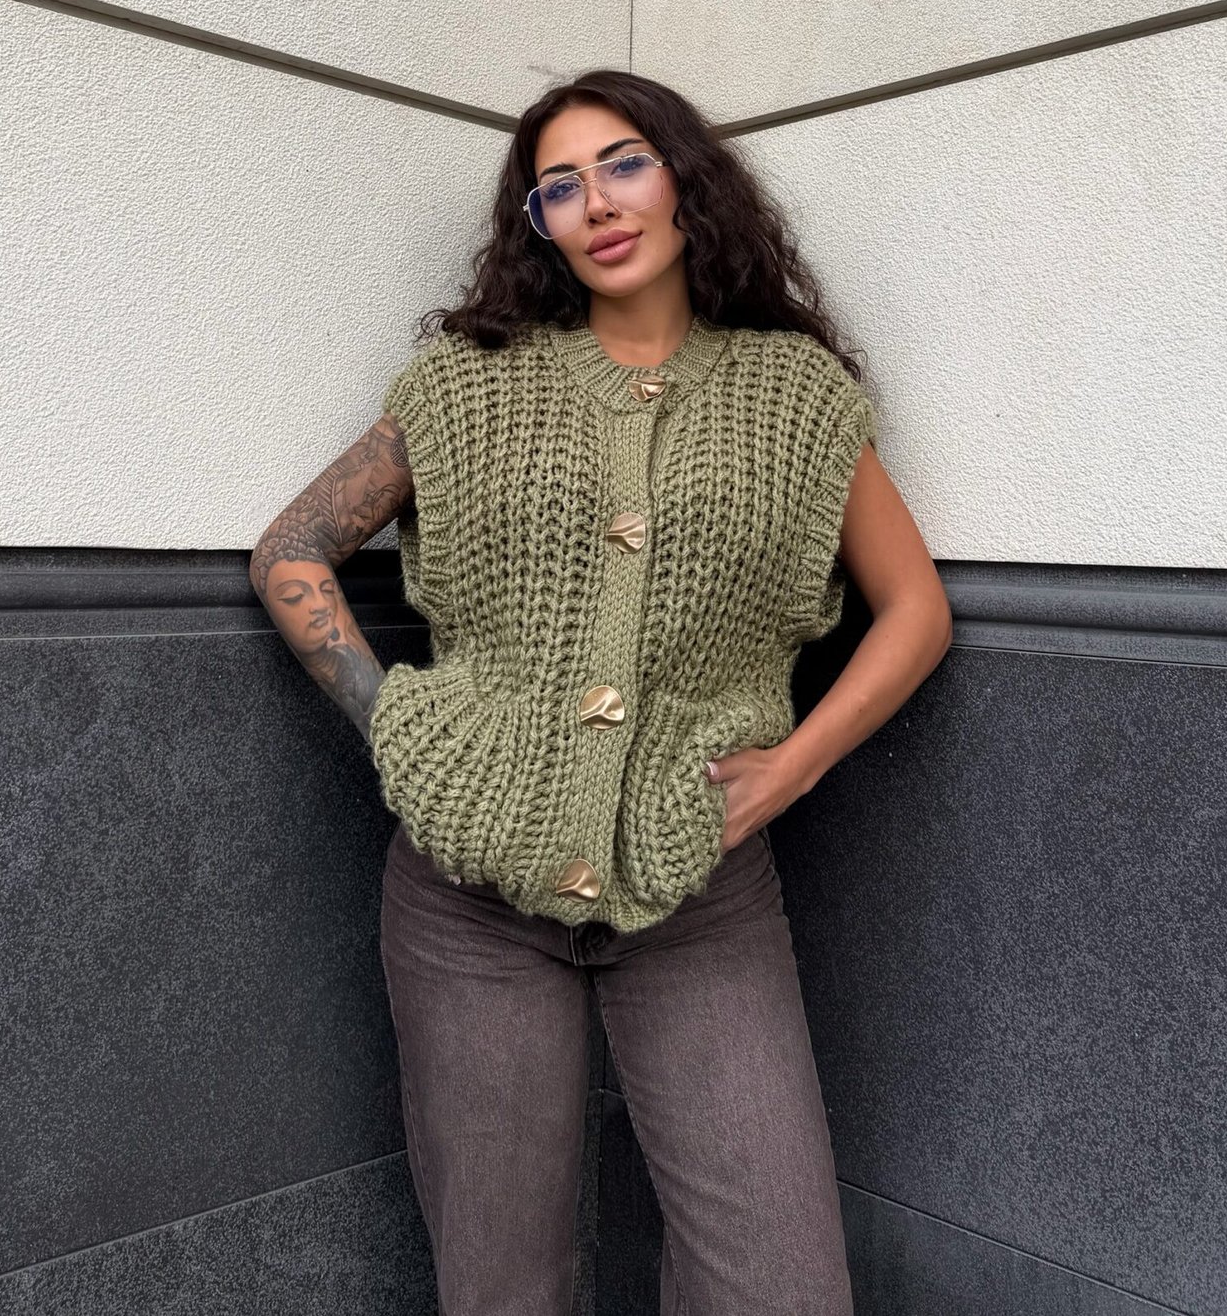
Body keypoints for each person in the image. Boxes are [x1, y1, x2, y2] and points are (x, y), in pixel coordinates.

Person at [250, 67, 952, 1315]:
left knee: (781, 1283)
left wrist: (792, 769)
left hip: (700, 892)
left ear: (685, 179)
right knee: (501, 1282)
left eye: (624, 163)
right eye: (559, 188)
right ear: (539, 226)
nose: (598, 204)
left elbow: (916, 611)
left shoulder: (796, 399)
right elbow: (292, 551)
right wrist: (401, 728)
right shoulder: (464, 385)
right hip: (466, 903)